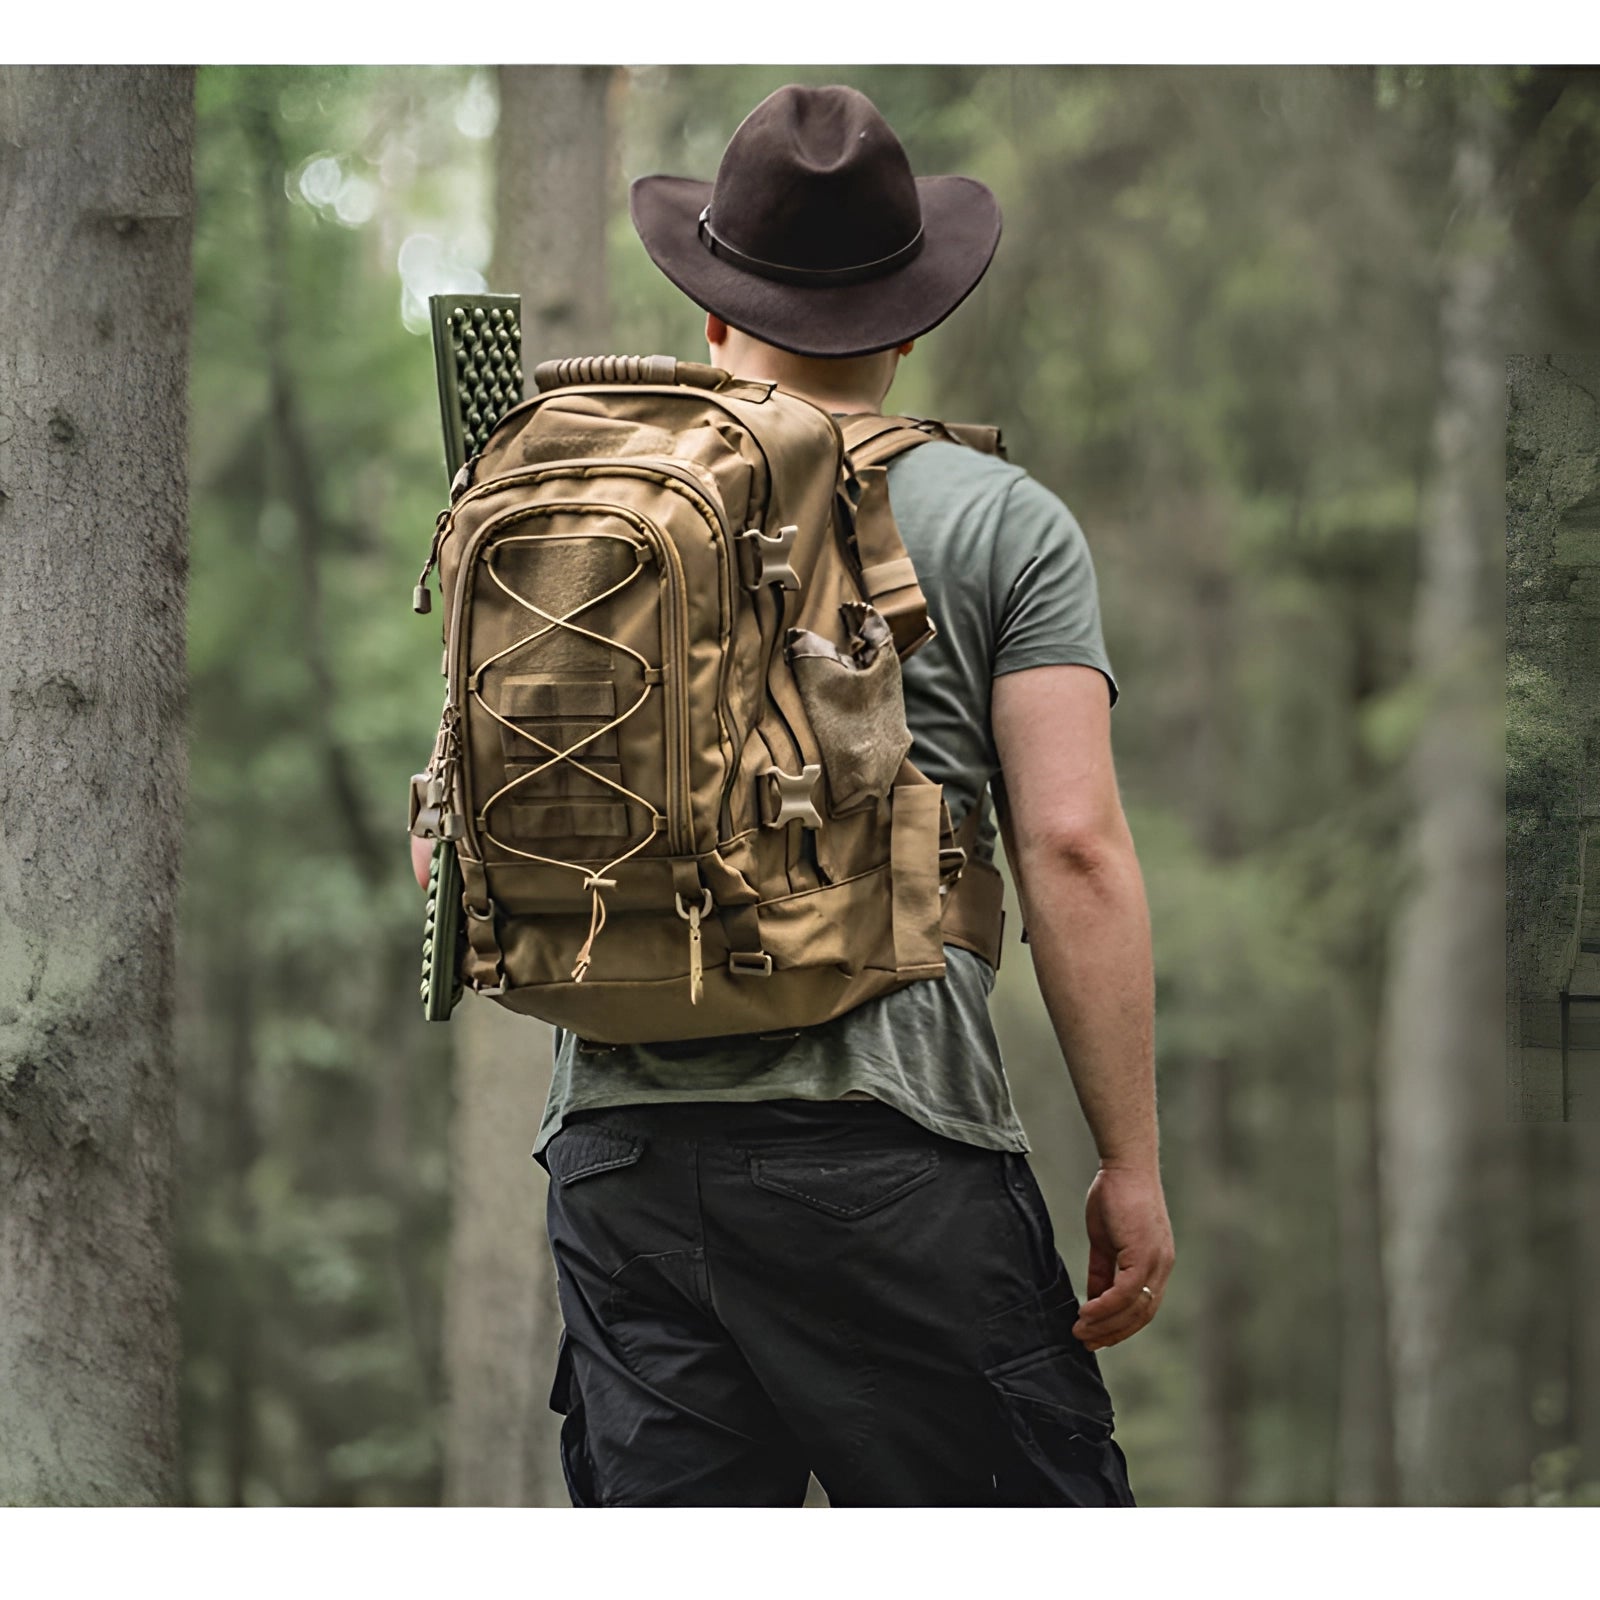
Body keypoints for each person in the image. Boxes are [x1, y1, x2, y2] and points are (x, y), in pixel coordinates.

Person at [414, 82, 1173, 1507]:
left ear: (710, 311)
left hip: (617, 1152)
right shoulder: (999, 519)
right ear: (907, 320)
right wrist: (1129, 1161)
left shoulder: (571, 512)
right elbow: (1071, 844)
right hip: (884, 1139)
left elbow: (458, 841)